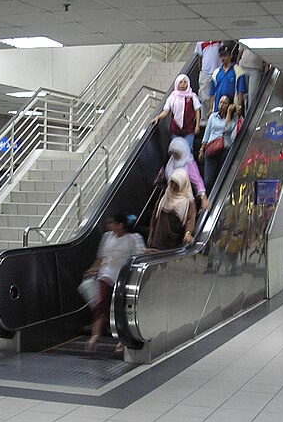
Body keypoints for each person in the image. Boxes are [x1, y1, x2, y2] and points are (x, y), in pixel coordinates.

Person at [85, 213, 146, 350]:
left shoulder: (132, 239)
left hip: (124, 275)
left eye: (112, 223)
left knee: (121, 306)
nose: (109, 226)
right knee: (102, 302)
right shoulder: (107, 237)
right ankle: (95, 335)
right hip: (107, 273)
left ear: (121, 225)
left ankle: (122, 339)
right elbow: (101, 257)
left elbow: (140, 255)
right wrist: (94, 268)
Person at [147, 169, 196, 250]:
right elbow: (155, 214)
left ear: (183, 184)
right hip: (157, 238)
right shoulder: (165, 193)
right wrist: (151, 235)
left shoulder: (188, 201)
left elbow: (191, 218)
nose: (173, 186)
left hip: (172, 242)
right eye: (172, 182)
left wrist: (188, 233)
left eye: (176, 184)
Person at [150, 74, 201, 150]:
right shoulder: (172, 97)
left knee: (188, 148)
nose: (183, 84)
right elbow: (166, 111)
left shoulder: (192, 96)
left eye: (185, 82)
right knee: (175, 149)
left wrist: (197, 125)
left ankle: (189, 162)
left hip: (189, 128)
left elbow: (197, 111)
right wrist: (158, 117)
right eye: (180, 82)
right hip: (175, 129)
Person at [156, 137, 209, 211]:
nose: (174, 156)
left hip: (183, 200)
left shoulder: (189, 164)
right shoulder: (170, 160)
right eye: (172, 153)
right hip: (170, 195)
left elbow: (198, 181)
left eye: (176, 153)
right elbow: (164, 169)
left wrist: (203, 197)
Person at [199, 96, 237, 194]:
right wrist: (202, 150)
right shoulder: (213, 116)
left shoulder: (233, 118)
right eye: (220, 102)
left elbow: (227, 129)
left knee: (221, 178)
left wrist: (229, 113)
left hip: (224, 149)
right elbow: (207, 133)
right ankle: (207, 200)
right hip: (211, 149)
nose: (221, 105)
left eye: (224, 103)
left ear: (229, 105)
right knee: (208, 180)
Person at [209, 41, 248, 115]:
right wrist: (211, 108)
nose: (223, 58)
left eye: (225, 55)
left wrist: (239, 107)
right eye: (221, 56)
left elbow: (240, 91)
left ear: (231, 56)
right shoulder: (216, 72)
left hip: (232, 109)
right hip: (218, 109)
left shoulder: (238, 71)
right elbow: (212, 93)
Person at [194, 41, 222, 120]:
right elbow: (200, 57)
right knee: (204, 98)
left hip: (217, 71)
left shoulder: (219, 40)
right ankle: (205, 118)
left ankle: (216, 117)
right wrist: (201, 71)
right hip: (205, 72)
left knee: (218, 96)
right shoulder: (200, 41)